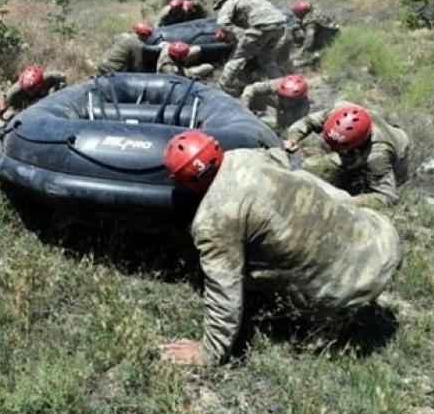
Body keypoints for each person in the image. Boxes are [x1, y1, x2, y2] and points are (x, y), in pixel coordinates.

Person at [158, 130, 401, 367]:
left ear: (181, 181)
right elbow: (282, 156)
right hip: (384, 242)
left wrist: (210, 352)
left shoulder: (214, 219)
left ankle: (334, 322)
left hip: (351, 287)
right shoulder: (247, 156)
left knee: (241, 268)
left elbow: (224, 287)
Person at [284, 102, 410, 207]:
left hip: (398, 153)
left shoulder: (377, 156)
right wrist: (292, 139)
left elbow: (388, 197)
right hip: (357, 149)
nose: (331, 149)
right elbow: (308, 121)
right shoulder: (338, 112)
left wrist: (347, 201)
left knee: (380, 183)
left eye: (337, 148)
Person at [212, 0, 287, 96]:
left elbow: (222, 23)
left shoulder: (230, 2)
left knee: (237, 58)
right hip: (280, 25)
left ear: (221, 1)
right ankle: (280, 87)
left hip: (261, 26)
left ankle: (223, 87)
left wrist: (238, 33)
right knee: (267, 59)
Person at [240, 74, 311, 133]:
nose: (285, 101)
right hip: (274, 100)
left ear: (300, 98)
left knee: (285, 126)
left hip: (290, 110)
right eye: (283, 97)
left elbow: (295, 128)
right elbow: (251, 88)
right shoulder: (275, 85)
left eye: (290, 99)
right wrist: (244, 109)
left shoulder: (303, 107)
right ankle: (253, 114)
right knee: (255, 95)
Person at [2, 65, 67, 122]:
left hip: (45, 103)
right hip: (24, 111)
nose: (30, 93)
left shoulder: (47, 78)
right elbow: (4, 104)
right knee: (9, 116)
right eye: (28, 90)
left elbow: (62, 76)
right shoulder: (13, 92)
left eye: (33, 89)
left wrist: (56, 95)